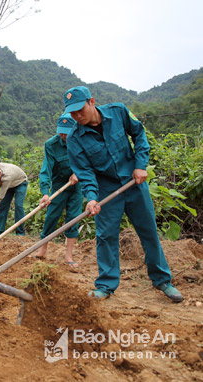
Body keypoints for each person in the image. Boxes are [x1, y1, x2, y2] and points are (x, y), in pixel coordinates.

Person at [64, 85, 183, 302]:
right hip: (106, 189)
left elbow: (139, 134)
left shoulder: (118, 111)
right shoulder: (74, 139)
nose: (77, 116)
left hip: (133, 183)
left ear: (91, 101)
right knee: (106, 236)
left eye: (80, 109)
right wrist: (91, 197)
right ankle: (106, 285)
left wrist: (140, 164)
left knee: (148, 231)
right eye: (72, 112)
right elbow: (85, 172)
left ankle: (162, 280)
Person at [35, 113, 83, 267]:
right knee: (51, 216)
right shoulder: (51, 144)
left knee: (73, 218)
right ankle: (42, 250)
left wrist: (79, 173)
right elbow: (46, 170)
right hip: (58, 184)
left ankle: (68, 256)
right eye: (61, 131)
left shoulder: (82, 140)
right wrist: (45, 193)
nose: (63, 135)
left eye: (66, 132)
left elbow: (89, 161)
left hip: (77, 187)